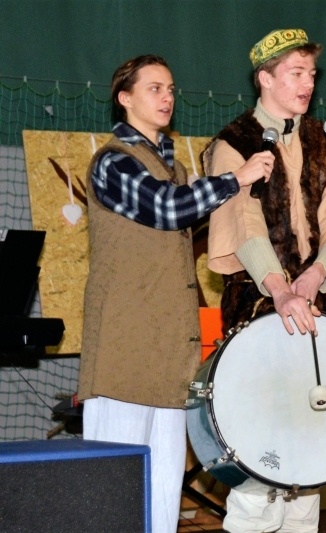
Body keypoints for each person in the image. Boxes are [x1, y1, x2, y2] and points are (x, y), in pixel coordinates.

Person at [78, 54, 271, 533]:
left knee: (164, 493)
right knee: (113, 495)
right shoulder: (113, 162)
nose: (167, 97)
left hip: (168, 355)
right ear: (125, 99)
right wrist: (236, 178)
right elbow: (169, 210)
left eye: (170, 89)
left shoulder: (174, 169)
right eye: (154, 89)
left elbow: (187, 209)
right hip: (122, 357)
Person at [202, 28, 326, 533]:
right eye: (295, 73)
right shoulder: (234, 143)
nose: (307, 84)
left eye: (311, 74)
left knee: (309, 460)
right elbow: (244, 222)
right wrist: (279, 288)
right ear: (265, 78)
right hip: (258, 308)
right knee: (261, 461)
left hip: (319, 306)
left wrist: (316, 276)